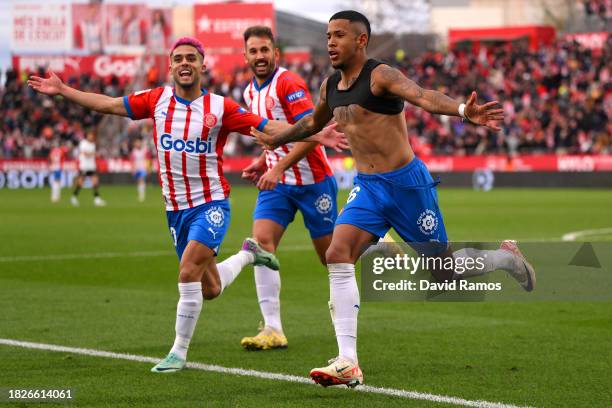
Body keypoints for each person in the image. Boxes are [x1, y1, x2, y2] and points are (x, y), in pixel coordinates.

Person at [252, 10, 535, 388]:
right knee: (338, 254)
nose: (331, 43)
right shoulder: (330, 86)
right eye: (328, 35)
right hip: (368, 188)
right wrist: (277, 138)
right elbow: (312, 124)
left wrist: (464, 110)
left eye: (338, 35)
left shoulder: (381, 74)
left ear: (361, 40)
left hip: (406, 187)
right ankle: (347, 361)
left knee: (444, 273)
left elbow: (423, 96)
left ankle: (505, 257)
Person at [28, 36, 345, 373]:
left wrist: (314, 134)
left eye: (191, 58)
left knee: (187, 272)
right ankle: (250, 254)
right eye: (178, 58)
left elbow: (268, 128)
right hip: (175, 210)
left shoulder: (221, 108)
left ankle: (178, 352)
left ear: (202, 65)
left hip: (211, 204)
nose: (184, 63)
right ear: (170, 65)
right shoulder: (156, 100)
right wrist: (63, 90)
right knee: (209, 288)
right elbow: (108, 104)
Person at [238, 26, 338, 351]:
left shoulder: (288, 83)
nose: (260, 56)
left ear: (275, 53)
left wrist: (278, 166)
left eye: (265, 50)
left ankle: (374, 238)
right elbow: (274, 137)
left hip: (313, 182)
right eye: (253, 51)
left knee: (332, 258)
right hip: (278, 184)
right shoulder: (249, 93)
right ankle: (272, 328)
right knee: (261, 245)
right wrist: (263, 161)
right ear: (246, 56)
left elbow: (313, 131)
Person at [71, 131, 106, 207]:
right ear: (87, 136)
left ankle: (97, 199)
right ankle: (74, 197)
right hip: (84, 166)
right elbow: (85, 154)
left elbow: (92, 154)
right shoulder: (83, 143)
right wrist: (94, 153)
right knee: (80, 182)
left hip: (91, 166)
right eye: (90, 135)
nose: (91, 137)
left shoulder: (93, 144)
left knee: (95, 181)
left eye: (92, 135)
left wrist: (95, 154)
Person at [131, 137, 149, 202]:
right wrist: (133, 169)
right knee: (139, 181)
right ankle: (141, 194)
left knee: (141, 180)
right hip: (137, 168)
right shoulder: (134, 151)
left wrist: (147, 168)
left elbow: (147, 159)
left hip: (143, 168)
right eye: (136, 143)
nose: (137, 144)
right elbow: (133, 161)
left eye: (138, 142)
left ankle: (142, 196)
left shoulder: (144, 150)